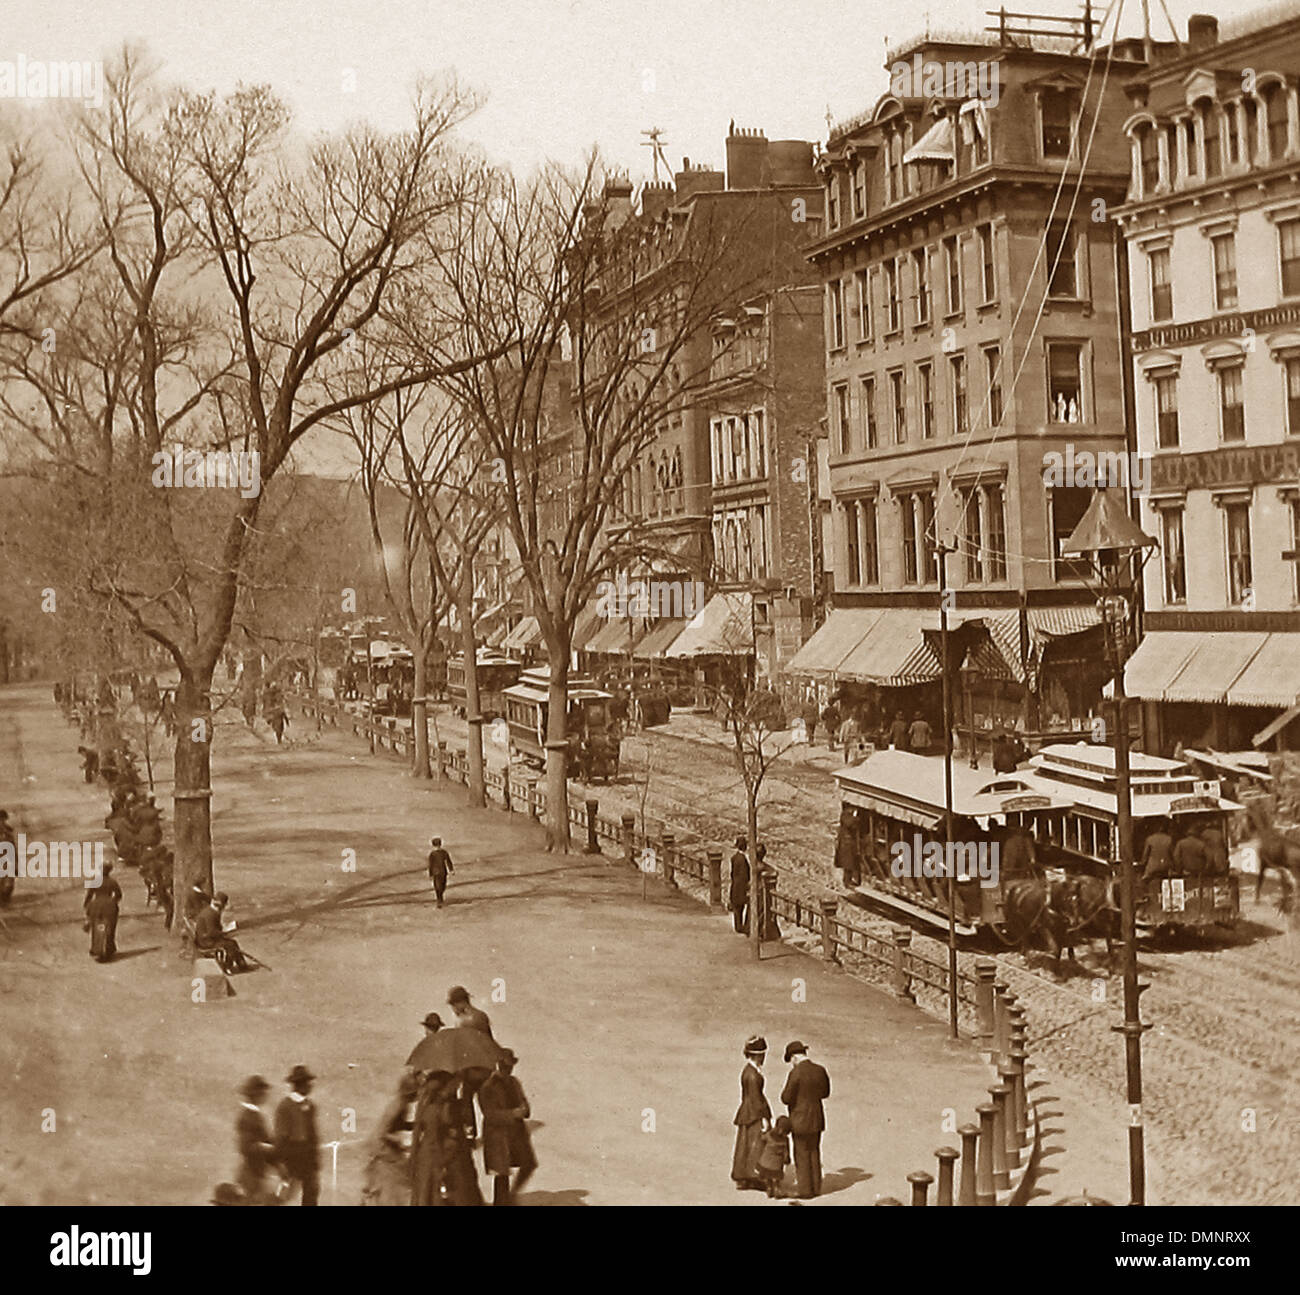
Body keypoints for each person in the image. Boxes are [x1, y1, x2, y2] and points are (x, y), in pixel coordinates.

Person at [477, 1049, 537, 1205]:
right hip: (496, 1135)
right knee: (501, 1173)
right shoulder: (487, 1087)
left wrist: (524, 1109)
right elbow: (490, 1114)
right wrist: (513, 1114)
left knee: (529, 1163)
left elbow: (525, 1105)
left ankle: (512, 1195)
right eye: (505, 1067)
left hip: (515, 1133)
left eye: (510, 1067)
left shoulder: (514, 1082)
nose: (508, 1070)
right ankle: (502, 1202)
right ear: (498, 1066)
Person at [781, 1042, 830, 1200]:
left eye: (791, 1060)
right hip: (816, 1118)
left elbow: (786, 1098)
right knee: (814, 1152)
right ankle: (816, 1187)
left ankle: (805, 1190)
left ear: (794, 1057)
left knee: (801, 1154)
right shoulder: (820, 1070)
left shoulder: (796, 1073)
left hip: (800, 1119)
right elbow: (825, 1093)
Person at [362, 1072, 418, 1206]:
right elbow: (383, 1132)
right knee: (396, 1185)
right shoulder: (398, 1106)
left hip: (386, 1149)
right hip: (384, 1150)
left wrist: (414, 1125)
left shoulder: (401, 1104)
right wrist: (399, 1142)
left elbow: (397, 1125)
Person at [275, 1065, 321, 1206]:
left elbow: (313, 1133)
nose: (310, 1086)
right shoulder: (285, 1106)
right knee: (285, 1193)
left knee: (312, 1190)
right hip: (291, 1154)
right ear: (298, 1085)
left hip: (307, 1155)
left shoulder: (310, 1105)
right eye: (307, 1083)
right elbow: (281, 1136)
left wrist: (315, 1157)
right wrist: (281, 1162)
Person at [731, 1035, 771, 1191]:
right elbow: (756, 1098)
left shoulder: (748, 1070)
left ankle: (742, 1176)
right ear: (757, 1054)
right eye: (762, 1054)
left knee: (744, 1145)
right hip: (754, 1113)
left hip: (746, 1111)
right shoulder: (753, 1075)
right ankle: (753, 1176)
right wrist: (764, 1118)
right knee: (756, 1145)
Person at [235, 1076, 280, 1205]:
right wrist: (271, 1148)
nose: (265, 1095)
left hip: (257, 1172)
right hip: (251, 1174)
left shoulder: (255, 1115)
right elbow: (247, 1147)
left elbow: (266, 1140)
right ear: (255, 1095)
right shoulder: (247, 1116)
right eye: (263, 1092)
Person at [194, 892, 251, 974]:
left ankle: (241, 965)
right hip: (206, 941)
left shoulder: (209, 911)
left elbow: (213, 929)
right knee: (230, 945)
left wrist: (223, 930)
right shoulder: (211, 915)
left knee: (232, 943)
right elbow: (212, 932)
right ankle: (228, 966)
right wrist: (225, 931)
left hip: (204, 939)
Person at [84, 862, 123, 962]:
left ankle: (95, 948)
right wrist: (113, 901)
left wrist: (87, 906)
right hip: (109, 907)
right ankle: (109, 949)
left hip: (96, 906)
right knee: (110, 928)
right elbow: (119, 895)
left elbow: (89, 895)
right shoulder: (112, 882)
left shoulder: (95, 881)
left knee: (96, 928)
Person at [757, 1114, 793, 1199]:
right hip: (777, 1163)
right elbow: (786, 1151)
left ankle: (769, 1189)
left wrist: (761, 1134)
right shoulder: (785, 1140)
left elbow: (762, 1138)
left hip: (766, 1160)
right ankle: (776, 1190)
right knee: (776, 1178)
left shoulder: (769, 1135)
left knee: (768, 1176)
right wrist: (787, 1158)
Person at [729, 837, 750, 935]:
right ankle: (739, 926)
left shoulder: (734, 857)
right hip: (741, 886)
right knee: (740, 906)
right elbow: (744, 875)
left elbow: (733, 873)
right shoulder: (742, 860)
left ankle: (738, 925)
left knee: (736, 906)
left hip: (735, 885)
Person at [427, 837, 454, 908]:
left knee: (442, 886)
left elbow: (448, 861)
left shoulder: (443, 853)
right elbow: (431, 864)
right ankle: (439, 900)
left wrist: (451, 869)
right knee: (438, 886)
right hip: (438, 872)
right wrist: (430, 874)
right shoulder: (433, 854)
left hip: (441, 872)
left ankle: (440, 897)